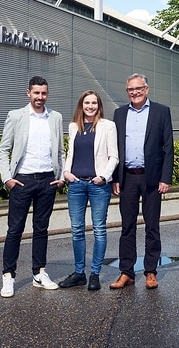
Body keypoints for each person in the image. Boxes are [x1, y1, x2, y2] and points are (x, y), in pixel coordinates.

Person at [0, 76, 65, 298]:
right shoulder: (16, 116)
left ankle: (39, 273)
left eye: (43, 93)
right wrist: (7, 178)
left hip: (47, 181)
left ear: (47, 93)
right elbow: (3, 149)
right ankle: (8, 276)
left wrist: (60, 176)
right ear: (28, 93)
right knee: (15, 230)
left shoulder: (55, 117)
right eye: (36, 93)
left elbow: (60, 151)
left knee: (41, 230)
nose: (40, 97)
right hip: (22, 181)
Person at [109, 73, 174, 290]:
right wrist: (115, 178)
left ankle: (150, 271)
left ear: (146, 89)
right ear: (127, 91)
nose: (134, 93)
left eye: (138, 89)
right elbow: (116, 149)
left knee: (152, 226)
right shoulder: (119, 114)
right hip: (127, 177)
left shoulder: (161, 111)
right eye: (130, 90)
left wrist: (165, 178)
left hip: (152, 178)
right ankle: (126, 272)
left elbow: (168, 148)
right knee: (127, 227)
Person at [59, 90, 118, 291]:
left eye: (94, 103)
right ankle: (79, 274)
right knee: (77, 230)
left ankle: (94, 274)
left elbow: (114, 157)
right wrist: (66, 172)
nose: (90, 106)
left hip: (98, 185)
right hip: (75, 184)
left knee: (99, 230)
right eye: (87, 103)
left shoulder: (108, 126)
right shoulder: (73, 126)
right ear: (81, 105)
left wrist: (103, 177)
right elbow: (70, 153)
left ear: (99, 105)